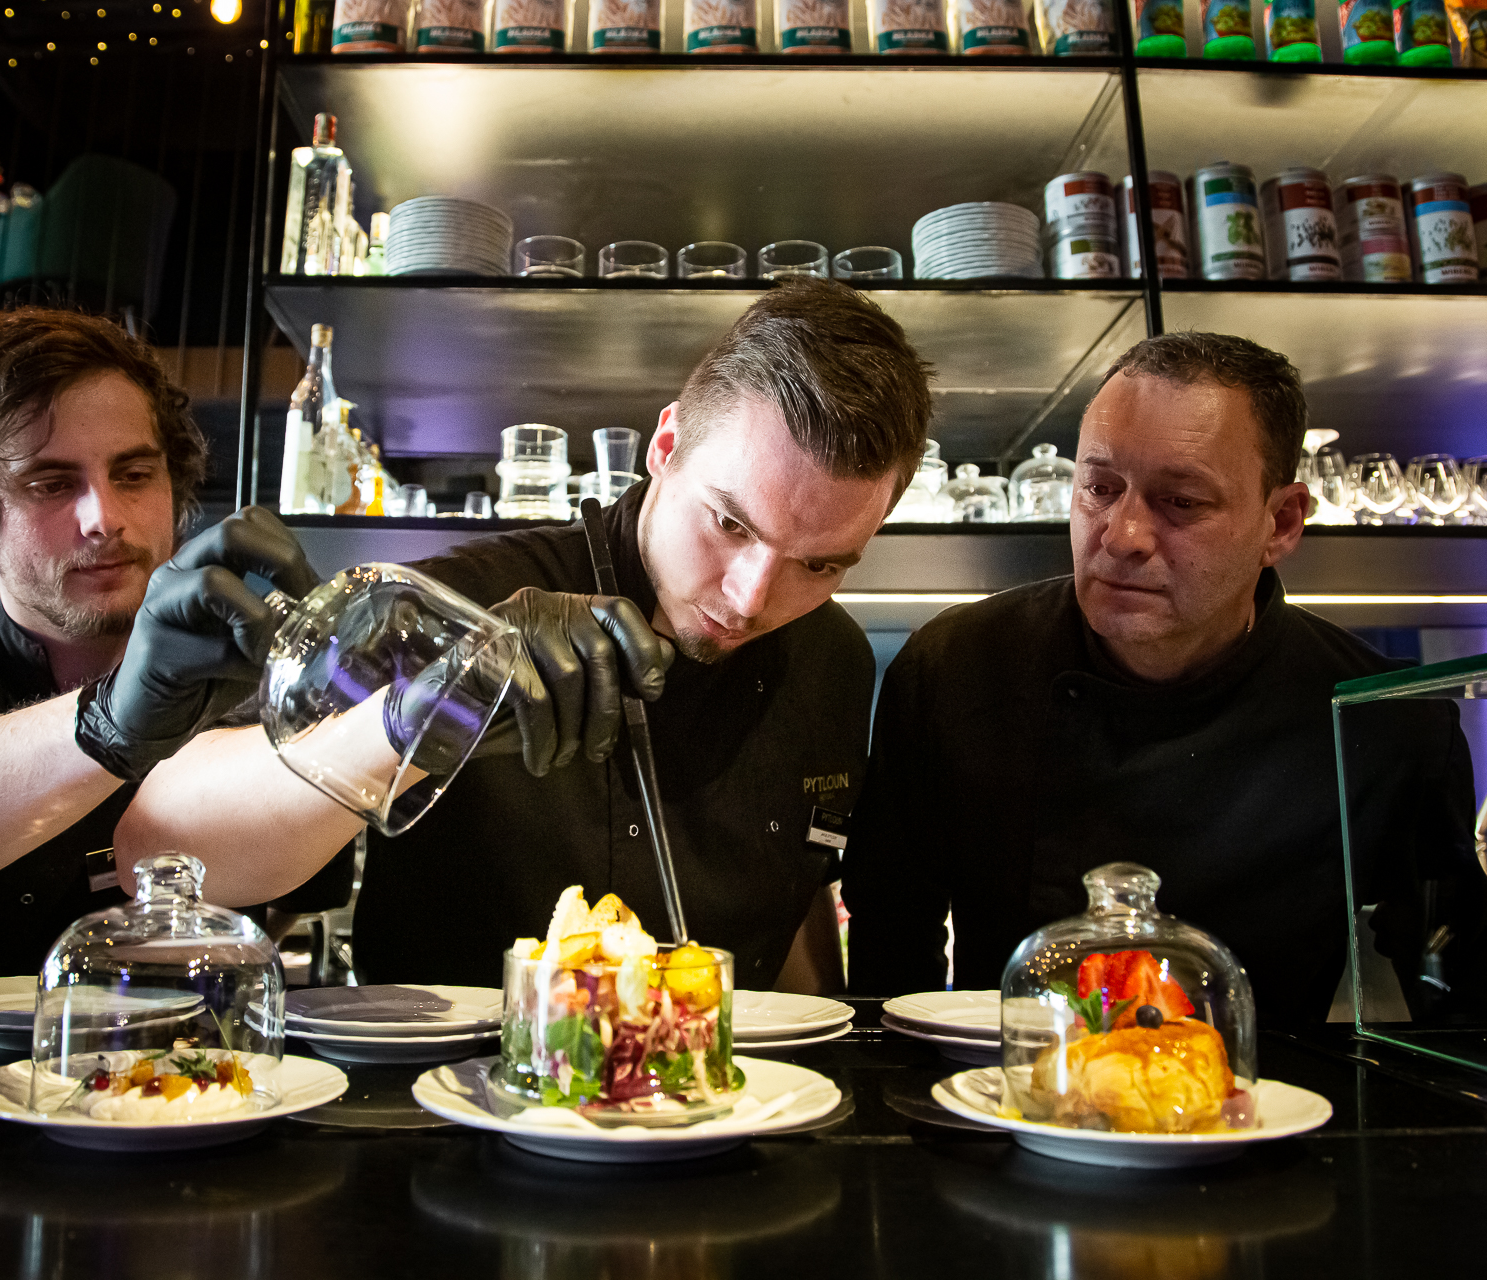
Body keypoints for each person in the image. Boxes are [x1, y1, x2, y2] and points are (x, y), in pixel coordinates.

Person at [197, 278, 934, 992]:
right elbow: (178, 848)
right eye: (729, 523)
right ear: (666, 445)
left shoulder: (835, 659)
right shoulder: (453, 603)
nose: (751, 598)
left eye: (819, 564)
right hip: (443, 1072)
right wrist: (428, 705)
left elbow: (793, 911)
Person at [0, 308, 495, 991]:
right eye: (52, 483)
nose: (104, 517)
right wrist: (108, 723)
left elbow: (284, 896)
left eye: (135, 474)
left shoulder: (254, 678)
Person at [842, 332, 1487, 1027]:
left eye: (1182, 502)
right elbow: (889, 952)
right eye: (1100, 489)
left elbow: (1467, 997)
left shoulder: (1381, 717)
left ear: (1281, 522)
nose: (1122, 535)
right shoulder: (955, 667)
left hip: (1268, 1091)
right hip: (1009, 1084)